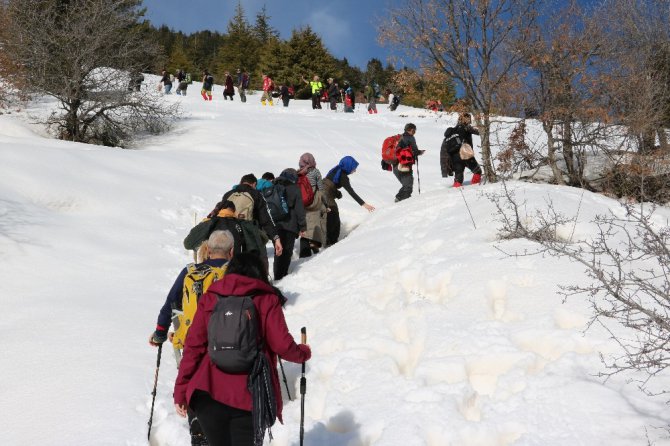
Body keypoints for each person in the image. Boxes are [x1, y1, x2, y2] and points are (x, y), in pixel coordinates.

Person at [173, 252, 311, 446]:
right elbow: (283, 345)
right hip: (250, 396)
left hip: (207, 393)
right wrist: (304, 352)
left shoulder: (211, 297)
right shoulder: (266, 299)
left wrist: (180, 391)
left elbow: (193, 347)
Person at [150, 230, 235, 446]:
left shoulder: (189, 272)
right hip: (229, 346)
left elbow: (170, 303)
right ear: (231, 252)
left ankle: (199, 427)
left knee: (197, 391)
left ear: (207, 251)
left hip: (193, 346)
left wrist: (160, 333)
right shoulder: (235, 272)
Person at [221, 174, 283, 273]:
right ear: (254, 184)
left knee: (231, 267)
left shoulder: (228, 194)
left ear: (241, 182)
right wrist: (276, 238)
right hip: (250, 237)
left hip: (229, 236)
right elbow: (265, 220)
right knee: (253, 266)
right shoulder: (256, 194)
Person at [323, 156, 375, 246]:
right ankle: (330, 243)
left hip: (321, 193)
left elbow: (329, 182)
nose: (354, 171)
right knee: (333, 217)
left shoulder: (336, 169)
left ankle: (329, 240)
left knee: (331, 217)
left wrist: (336, 192)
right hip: (326, 196)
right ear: (348, 167)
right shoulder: (343, 176)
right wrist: (364, 204)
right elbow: (351, 192)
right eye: (354, 168)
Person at [271, 168, 306, 281]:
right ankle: (283, 276)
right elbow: (299, 209)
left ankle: (277, 276)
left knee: (278, 250)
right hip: (290, 224)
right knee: (287, 251)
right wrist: (302, 226)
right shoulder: (294, 188)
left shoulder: (273, 185)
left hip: (275, 224)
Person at [297, 153, 328, 258]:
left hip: (301, 205)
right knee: (314, 228)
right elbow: (321, 190)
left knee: (304, 229)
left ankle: (303, 255)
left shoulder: (298, 172)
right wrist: (326, 204)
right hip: (313, 204)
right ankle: (315, 256)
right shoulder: (315, 172)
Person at [442, 112, 482, 187]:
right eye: (469, 119)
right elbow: (480, 132)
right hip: (465, 153)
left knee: (458, 178)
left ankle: (455, 192)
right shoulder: (466, 127)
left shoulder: (453, 130)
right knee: (477, 171)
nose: (470, 121)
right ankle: (476, 188)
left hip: (455, 156)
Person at [393, 123, 425, 202]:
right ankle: (402, 201)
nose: (414, 132)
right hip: (404, 165)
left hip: (395, 166)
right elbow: (414, 151)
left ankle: (399, 199)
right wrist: (420, 152)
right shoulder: (410, 138)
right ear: (411, 130)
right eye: (414, 131)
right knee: (408, 185)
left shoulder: (400, 137)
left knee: (407, 184)